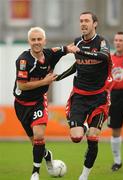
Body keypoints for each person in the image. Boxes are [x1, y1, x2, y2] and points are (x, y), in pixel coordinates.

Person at [13, 27, 78, 180]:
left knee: (39, 135)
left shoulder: (51, 53)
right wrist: (45, 81)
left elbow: (69, 48)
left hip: (38, 102)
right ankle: (48, 156)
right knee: (35, 143)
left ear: (44, 40)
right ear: (29, 41)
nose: (36, 42)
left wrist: (84, 49)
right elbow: (22, 85)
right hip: (21, 104)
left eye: (39, 39)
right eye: (33, 39)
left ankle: (35, 173)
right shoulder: (23, 60)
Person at [56, 12, 112, 180]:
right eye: (81, 21)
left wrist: (81, 51)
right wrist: (59, 77)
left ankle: (84, 175)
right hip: (80, 97)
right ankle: (84, 128)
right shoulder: (77, 42)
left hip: (99, 97)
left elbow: (103, 56)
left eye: (87, 21)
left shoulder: (101, 42)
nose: (83, 24)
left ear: (95, 23)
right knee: (76, 137)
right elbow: (77, 65)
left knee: (93, 138)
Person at [108, 32, 123, 171]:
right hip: (114, 96)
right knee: (115, 129)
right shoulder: (109, 59)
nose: (118, 42)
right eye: (116, 40)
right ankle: (117, 161)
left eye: (121, 40)